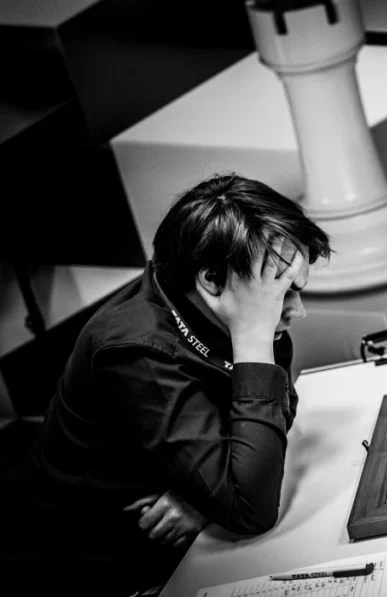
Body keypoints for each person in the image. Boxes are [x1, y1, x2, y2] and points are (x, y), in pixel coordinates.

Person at [19, 174, 331, 595]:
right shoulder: (136, 353)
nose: (298, 310)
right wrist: (254, 336)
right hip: (105, 564)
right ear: (212, 279)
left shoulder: (240, 306)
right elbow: (250, 510)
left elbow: (279, 407)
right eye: (283, 291)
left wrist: (204, 496)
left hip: (195, 539)